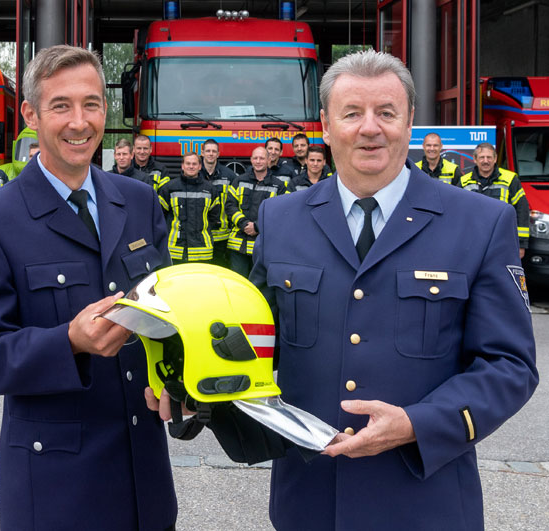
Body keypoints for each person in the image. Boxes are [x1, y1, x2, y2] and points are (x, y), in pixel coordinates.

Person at [201, 49, 537, 530]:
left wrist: (418, 424)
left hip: (425, 502)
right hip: (309, 502)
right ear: (325, 124)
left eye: (386, 112)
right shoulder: (281, 219)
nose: (370, 128)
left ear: (410, 121)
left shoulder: (481, 222)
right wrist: (195, 377)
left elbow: (510, 366)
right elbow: (255, 345)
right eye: (352, 113)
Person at [0, 45, 177, 531]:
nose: (80, 121)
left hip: (145, 480)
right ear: (30, 115)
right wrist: (68, 341)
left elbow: (170, 317)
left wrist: (184, 384)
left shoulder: (138, 202)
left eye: (91, 104)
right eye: (61, 106)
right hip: (57, 487)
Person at [460, 142, 530, 258]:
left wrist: (521, 244)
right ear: (475, 159)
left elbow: (522, 210)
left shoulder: (510, 179)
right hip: (472, 242)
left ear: (495, 158)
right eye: (482, 157)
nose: (485, 161)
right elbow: (458, 213)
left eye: (489, 157)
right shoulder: (464, 182)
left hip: (502, 241)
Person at [225, 145, 286, 277]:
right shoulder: (239, 180)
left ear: (268, 160)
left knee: (260, 286)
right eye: (255, 158)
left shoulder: (279, 186)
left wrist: (257, 226)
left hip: (263, 247)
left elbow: (279, 213)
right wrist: (244, 223)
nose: (258, 161)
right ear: (251, 160)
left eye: (262, 158)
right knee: (238, 285)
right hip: (238, 245)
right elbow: (230, 206)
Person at [158, 152, 220, 263]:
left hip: (202, 250)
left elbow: (214, 218)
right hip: (175, 250)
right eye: (188, 163)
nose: (191, 166)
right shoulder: (169, 188)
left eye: (194, 164)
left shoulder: (210, 189)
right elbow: (160, 216)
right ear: (182, 166)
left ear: (200, 166)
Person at [198, 138, 236, 266]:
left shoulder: (229, 175)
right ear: (202, 153)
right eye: (208, 151)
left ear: (218, 154)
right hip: (199, 233)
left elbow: (234, 203)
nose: (211, 154)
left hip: (222, 234)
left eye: (214, 151)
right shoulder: (194, 173)